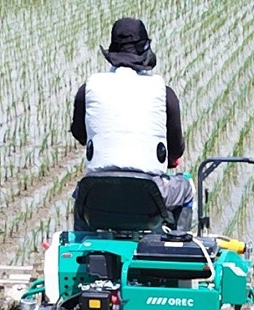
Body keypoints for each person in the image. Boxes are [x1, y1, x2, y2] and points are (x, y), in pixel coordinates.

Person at [70, 17, 194, 231]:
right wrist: (171, 159)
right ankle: (176, 247)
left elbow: (80, 134)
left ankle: (84, 247)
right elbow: (176, 150)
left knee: (82, 192)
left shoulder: (87, 89)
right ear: (145, 50)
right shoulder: (164, 93)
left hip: (97, 194)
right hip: (149, 195)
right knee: (187, 187)